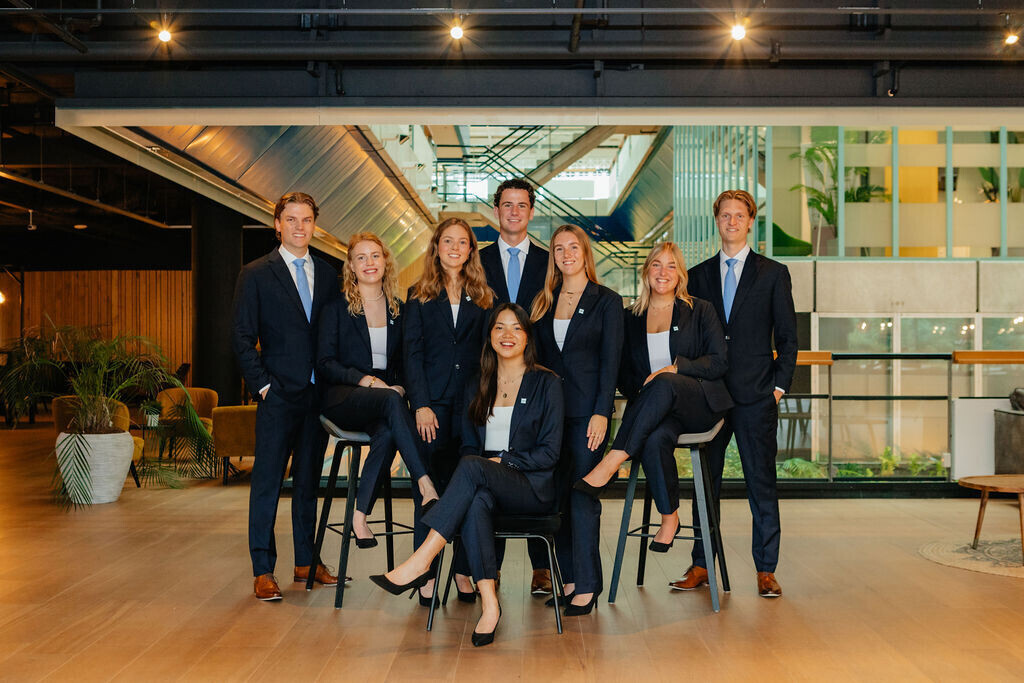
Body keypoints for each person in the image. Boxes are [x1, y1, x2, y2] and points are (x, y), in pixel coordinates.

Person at [370, 303, 564, 648]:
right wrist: (487, 466)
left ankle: (422, 559)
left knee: (475, 467)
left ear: (527, 337)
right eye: (499, 327)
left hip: (532, 489)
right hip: (487, 485)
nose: (507, 335)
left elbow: (549, 454)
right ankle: (489, 605)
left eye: (516, 328)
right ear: (489, 336)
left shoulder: (547, 383)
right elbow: (469, 447)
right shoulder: (477, 384)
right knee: (475, 499)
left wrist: (501, 460)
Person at [575, 241, 733, 575]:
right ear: (646, 272)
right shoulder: (630, 317)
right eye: (656, 265)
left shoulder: (700, 310)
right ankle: (669, 516)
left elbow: (719, 361)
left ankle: (613, 459)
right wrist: (646, 389)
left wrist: (676, 368)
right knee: (654, 439)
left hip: (698, 403)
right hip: (657, 412)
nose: (663, 272)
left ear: (681, 274)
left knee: (664, 381)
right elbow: (623, 373)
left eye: (671, 266)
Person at [673, 189, 798, 598]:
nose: (731, 221)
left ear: (750, 221)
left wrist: (777, 387)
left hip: (756, 395)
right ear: (717, 221)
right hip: (709, 396)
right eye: (725, 215)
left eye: (738, 215)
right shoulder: (698, 275)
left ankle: (766, 569)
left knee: (761, 483)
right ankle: (701, 564)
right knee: (704, 485)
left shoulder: (773, 273)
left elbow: (788, 337)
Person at [231, 191, 340, 601]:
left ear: (315, 226)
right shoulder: (256, 274)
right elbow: (242, 337)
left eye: (306, 219)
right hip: (276, 396)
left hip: (317, 397)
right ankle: (263, 569)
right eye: (291, 219)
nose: (299, 226)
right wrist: (263, 385)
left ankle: (306, 562)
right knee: (267, 484)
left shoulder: (328, 274)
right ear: (277, 225)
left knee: (308, 483)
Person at [317, 232, 439, 550]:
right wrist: (367, 381)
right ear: (351, 266)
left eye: (375, 256)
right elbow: (325, 363)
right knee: (390, 401)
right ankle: (424, 481)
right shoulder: (337, 308)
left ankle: (359, 516)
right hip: (344, 396)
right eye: (361, 257)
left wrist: (399, 386)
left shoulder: (399, 310)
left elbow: (406, 362)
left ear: (385, 261)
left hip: (384, 401)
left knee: (387, 433)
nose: (369, 263)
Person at [530, 224, 622, 615]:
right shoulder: (543, 301)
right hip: (550, 418)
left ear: (585, 253)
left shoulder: (607, 301)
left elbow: (610, 363)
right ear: (552, 256)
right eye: (558, 248)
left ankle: (586, 585)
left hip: (588, 415)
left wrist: (602, 412)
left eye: (573, 247)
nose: (566, 254)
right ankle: (567, 580)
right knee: (557, 499)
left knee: (583, 496)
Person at [404, 216, 494, 604]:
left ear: (471, 250)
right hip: (433, 407)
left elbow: (489, 353)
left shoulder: (484, 296)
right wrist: (421, 404)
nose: (455, 248)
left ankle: (461, 570)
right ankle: (424, 573)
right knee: (429, 493)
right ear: (436, 247)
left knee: (469, 492)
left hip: (473, 406)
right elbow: (411, 355)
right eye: (448, 241)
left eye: (462, 242)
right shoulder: (418, 295)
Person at [478, 177, 554, 594]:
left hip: (535, 382)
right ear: (496, 211)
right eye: (506, 205)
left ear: (531, 211)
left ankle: (542, 568)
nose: (513, 212)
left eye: (521, 205)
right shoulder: (477, 260)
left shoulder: (549, 262)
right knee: (491, 463)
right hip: (491, 378)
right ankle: (490, 570)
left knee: (530, 465)